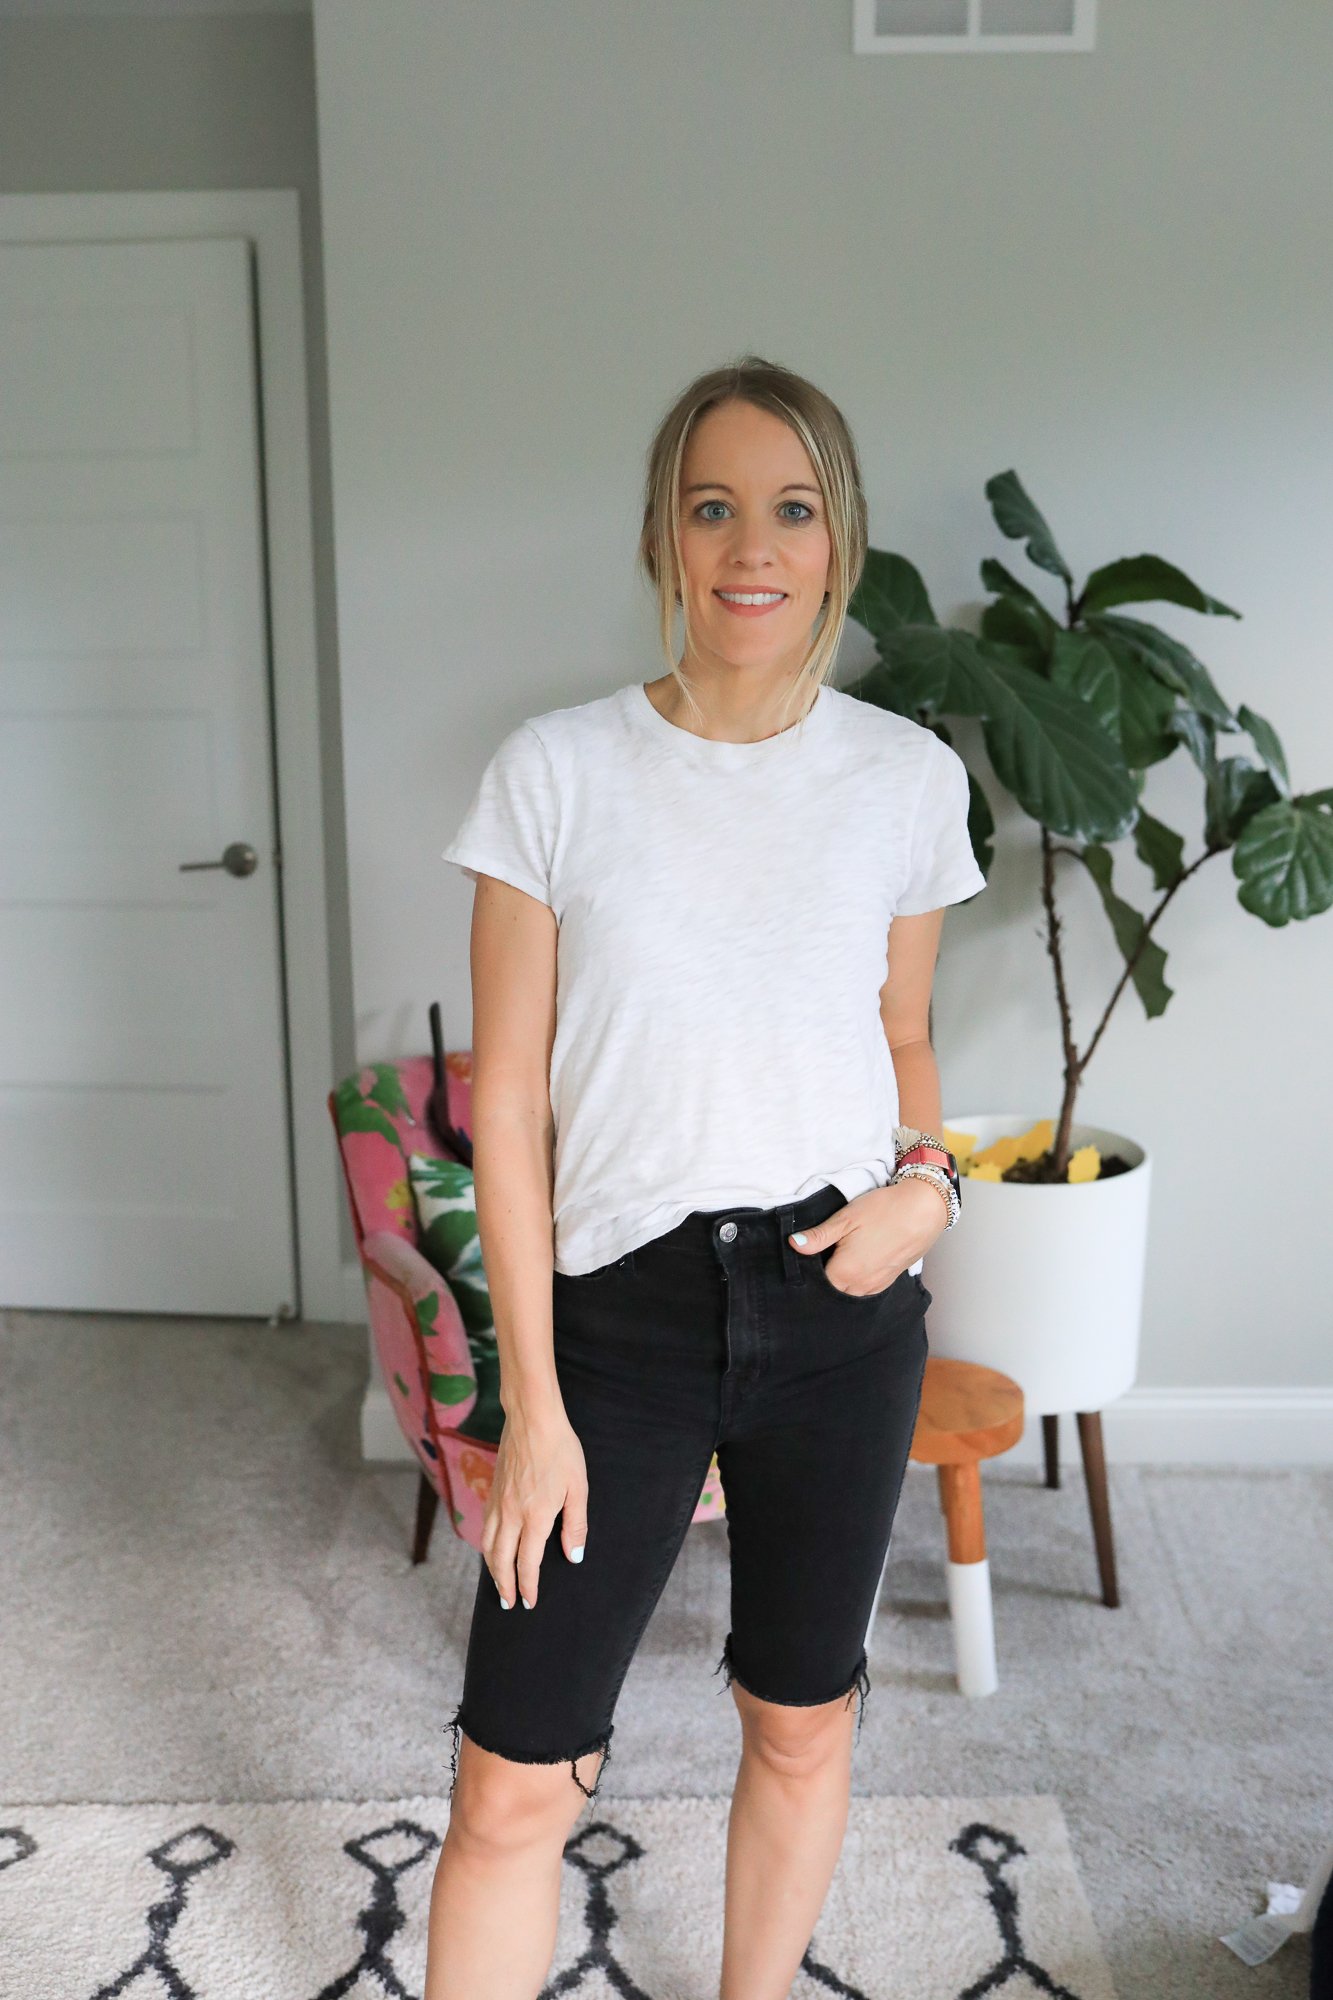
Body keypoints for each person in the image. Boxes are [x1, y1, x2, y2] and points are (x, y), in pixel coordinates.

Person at [425, 355, 986, 1999]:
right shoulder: (554, 775)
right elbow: (507, 1104)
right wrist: (529, 1401)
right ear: (666, 539)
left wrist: (928, 1192)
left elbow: (904, 1041)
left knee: (800, 1723)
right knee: (511, 1780)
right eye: (713, 505)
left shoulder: (903, 780)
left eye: (792, 508)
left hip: (838, 1305)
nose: (754, 544)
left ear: (839, 541)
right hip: (619, 1324)